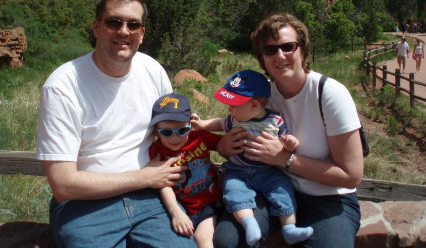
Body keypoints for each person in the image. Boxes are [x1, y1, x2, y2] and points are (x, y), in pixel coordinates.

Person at [36, 0, 197, 248]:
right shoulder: (63, 86)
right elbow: (63, 184)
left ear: (142, 34)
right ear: (96, 27)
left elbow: (172, 128)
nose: (124, 31)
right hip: (85, 206)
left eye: (133, 24)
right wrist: (144, 177)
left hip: (152, 197)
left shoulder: (152, 70)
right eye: (114, 22)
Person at [214, 13, 363, 248]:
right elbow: (234, 133)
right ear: (262, 58)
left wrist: (285, 159)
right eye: (269, 50)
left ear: (303, 50)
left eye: (288, 47)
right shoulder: (261, 97)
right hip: (269, 184)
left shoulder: (329, 93)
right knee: (227, 240)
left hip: (327, 197)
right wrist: (222, 146)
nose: (279, 55)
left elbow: (352, 174)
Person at [193, 69, 313, 247]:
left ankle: (289, 228)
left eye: (234, 105)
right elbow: (218, 123)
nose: (229, 109)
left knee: (283, 189)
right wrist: (201, 124)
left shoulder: (274, 120)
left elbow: (285, 139)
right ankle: (249, 224)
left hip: (268, 171)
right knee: (233, 190)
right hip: (238, 172)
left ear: (255, 106)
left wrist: (290, 143)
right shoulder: (234, 120)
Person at [148, 93, 222, 248]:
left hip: (207, 202)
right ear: (156, 132)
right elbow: (163, 184)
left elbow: (224, 145)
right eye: (167, 132)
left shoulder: (198, 137)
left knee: (203, 239)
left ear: (190, 125)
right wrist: (176, 212)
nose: (175, 138)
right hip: (181, 205)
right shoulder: (157, 151)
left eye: (182, 131)